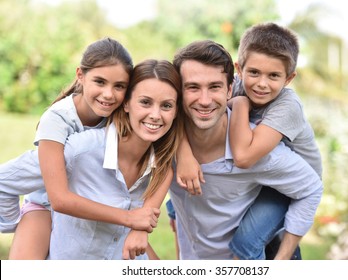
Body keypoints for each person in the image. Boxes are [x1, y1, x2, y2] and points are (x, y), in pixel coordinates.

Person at [0, 38, 168, 259]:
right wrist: (17, 222)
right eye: (100, 82)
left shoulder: (116, 118)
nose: (109, 94)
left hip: (91, 212)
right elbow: (56, 198)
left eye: (119, 86)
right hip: (44, 206)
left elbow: (168, 156)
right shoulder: (58, 120)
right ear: (80, 75)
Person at [169, 39, 323, 259]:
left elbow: (244, 158)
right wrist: (182, 151)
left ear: (229, 88)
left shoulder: (279, 120)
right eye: (192, 87)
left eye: (214, 87)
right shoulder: (165, 137)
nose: (204, 100)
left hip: (286, 186)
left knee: (247, 243)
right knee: (177, 206)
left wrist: (281, 259)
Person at [227, 22, 323, 260]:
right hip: (265, 174)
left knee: (246, 243)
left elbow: (244, 157)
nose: (261, 83)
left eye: (274, 76)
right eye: (254, 72)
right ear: (239, 69)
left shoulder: (287, 106)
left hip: (292, 187)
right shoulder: (234, 86)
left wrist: (239, 104)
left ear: (289, 78)